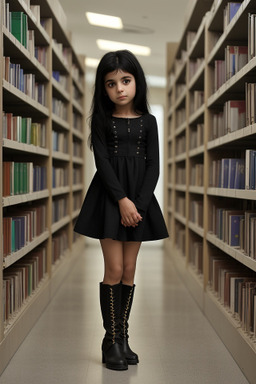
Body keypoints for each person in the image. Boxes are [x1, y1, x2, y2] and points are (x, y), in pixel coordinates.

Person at [74, 50, 168, 371]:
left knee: (129, 270)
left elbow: (154, 166)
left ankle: (122, 337)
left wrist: (138, 205)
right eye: (111, 84)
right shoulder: (101, 122)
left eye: (125, 81)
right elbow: (102, 164)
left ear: (136, 82)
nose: (120, 89)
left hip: (139, 205)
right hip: (110, 200)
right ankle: (110, 340)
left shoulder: (149, 122)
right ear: (104, 89)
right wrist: (122, 201)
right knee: (113, 270)